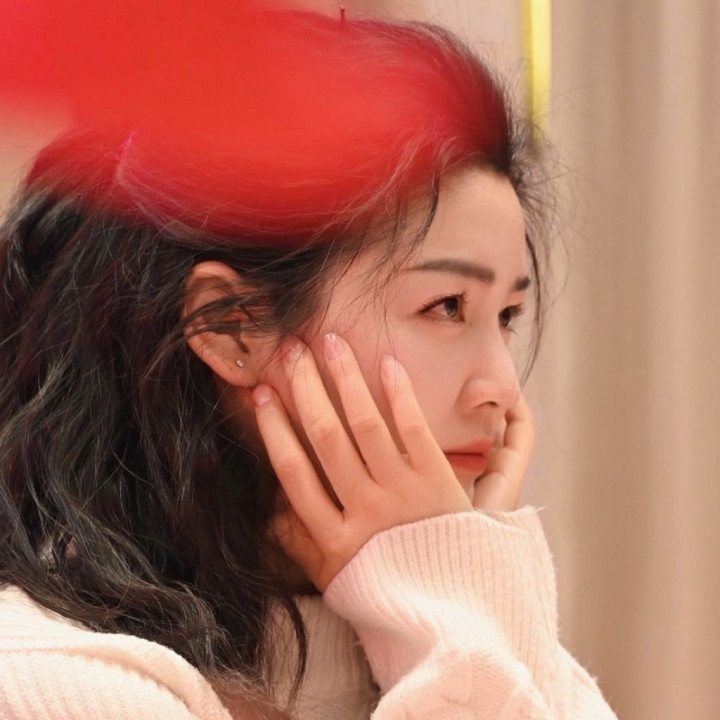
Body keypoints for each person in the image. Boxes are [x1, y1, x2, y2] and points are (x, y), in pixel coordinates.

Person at [0, 9, 617, 720]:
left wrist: (466, 587)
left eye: (506, 316)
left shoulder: (456, 634)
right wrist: (456, 611)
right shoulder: (56, 675)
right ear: (231, 326)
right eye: (447, 306)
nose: (502, 392)